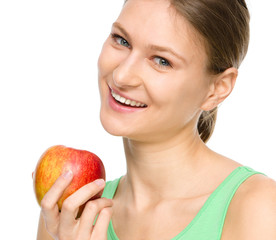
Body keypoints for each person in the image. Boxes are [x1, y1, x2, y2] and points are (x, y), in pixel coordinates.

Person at [36, 0, 276, 239]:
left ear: (217, 89)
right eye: (122, 40)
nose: (121, 76)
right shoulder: (71, 212)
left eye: (162, 60)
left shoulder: (258, 208)